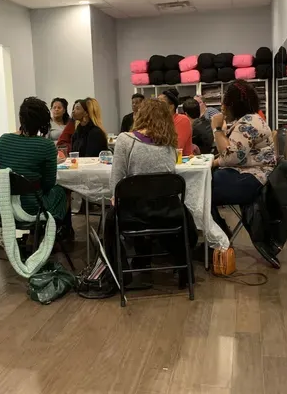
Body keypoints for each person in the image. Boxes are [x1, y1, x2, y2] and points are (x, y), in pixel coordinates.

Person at [107, 98, 198, 287]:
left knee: (110, 220)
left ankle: (120, 273)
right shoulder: (170, 145)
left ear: (141, 116)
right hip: (168, 212)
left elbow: (116, 183)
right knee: (185, 217)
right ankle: (184, 272)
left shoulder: (125, 140)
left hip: (135, 213)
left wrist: (116, 199)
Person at [211, 81, 276, 237]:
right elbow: (232, 153)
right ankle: (219, 234)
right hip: (251, 174)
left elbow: (231, 158)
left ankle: (219, 239)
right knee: (204, 185)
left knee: (200, 191)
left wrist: (217, 129)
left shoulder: (247, 124)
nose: (222, 107)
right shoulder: (250, 119)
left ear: (232, 104)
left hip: (253, 178)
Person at [0, 97, 67, 223]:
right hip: (32, 207)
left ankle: (36, 236)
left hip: (1, 205)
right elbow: (48, 183)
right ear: (43, 122)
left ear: (21, 118)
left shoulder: (3, 140)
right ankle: (53, 234)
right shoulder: (46, 145)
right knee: (60, 192)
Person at [159, 88, 193, 156]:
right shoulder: (158, 121)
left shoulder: (182, 120)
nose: (156, 106)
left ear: (171, 107)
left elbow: (176, 147)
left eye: (161, 103)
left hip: (181, 163)